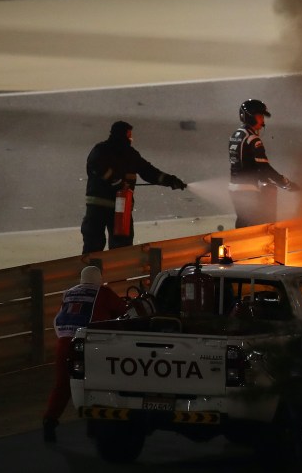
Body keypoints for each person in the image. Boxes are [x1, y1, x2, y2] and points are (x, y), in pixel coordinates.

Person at [43, 265, 127, 442]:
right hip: (90, 344)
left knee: (62, 384)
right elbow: (123, 310)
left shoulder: (68, 293)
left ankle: (49, 421)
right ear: (99, 279)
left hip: (64, 343)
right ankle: (95, 426)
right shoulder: (103, 292)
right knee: (98, 382)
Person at [81, 121, 187, 254]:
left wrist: (171, 181)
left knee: (112, 246)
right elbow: (96, 164)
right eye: (129, 134)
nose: (131, 138)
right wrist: (116, 181)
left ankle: (98, 272)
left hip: (118, 208)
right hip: (104, 207)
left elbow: (149, 172)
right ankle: (100, 272)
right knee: (104, 245)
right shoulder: (103, 150)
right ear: (123, 134)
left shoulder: (129, 154)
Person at [228, 99, 296, 228]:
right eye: (259, 116)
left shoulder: (236, 134)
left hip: (234, 187)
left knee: (242, 223)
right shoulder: (252, 138)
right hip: (248, 189)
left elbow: (245, 163)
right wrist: (285, 183)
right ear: (249, 117)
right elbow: (264, 167)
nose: (262, 120)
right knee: (256, 228)